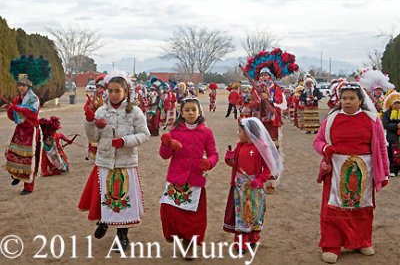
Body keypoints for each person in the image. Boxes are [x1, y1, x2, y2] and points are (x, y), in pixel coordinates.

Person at [313, 82, 389, 264]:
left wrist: (384, 172)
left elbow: (381, 149)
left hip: (364, 172)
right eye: (344, 98)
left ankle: (361, 241)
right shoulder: (331, 119)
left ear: (360, 99)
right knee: (333, 209)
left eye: (352, 98)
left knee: (362, 208)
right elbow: (318, 141)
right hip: (336, 172)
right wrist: (325, 148)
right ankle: (331, 245)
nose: (347, 102)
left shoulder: (371, 120)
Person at [78, 71, 150, 251]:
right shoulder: (101, 111)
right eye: (110, 91)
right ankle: (103, 221)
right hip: (104, 162)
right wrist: (89, 122)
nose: (113, 94)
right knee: (105, 197)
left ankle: (122, 235)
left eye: (117, 91)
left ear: (126, 91)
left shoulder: (135, 112)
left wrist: (125, 142)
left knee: (123, 199)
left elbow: (144, 135)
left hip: (126, 163)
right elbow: (94, 137)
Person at [159, 97, 218, 257]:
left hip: (195, 179)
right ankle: (176, 236)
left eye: (194, 109)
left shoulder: (206, 132)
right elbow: (165, 156)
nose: (191, 112)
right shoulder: (175, 131)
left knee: (193, 217)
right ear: (182, 113)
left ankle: (189, 244)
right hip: (176, 177)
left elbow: (214, 154)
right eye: (187, 110)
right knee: (170, 210)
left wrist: (209, 163)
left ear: (199, 112)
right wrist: (166, 144)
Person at [223, 117, 283, 253]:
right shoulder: (240, 146)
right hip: (239, 188)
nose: (238, 134)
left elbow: (268, 168)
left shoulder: (262, 147)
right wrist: (229, 159)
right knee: (241, 215)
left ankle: (253, 238)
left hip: (254, 188)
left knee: (254, 213)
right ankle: (241, 243)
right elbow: (235, 164)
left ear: (249, 132)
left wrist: (260, 179)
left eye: (240, 131)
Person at [4, 73, 41, 195]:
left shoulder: (34, 99)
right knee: (12, 154)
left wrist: (17, 108)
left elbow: (31, 113)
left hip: (31, 130)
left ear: (28, 86)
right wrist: (10, 110)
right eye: (19, 85)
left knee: (28, 159)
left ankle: (28, 187)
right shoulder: (16, 99)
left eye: (23, 85)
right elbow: (13, 117)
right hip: (20, 130)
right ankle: (16, 176)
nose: (21, 87)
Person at [83, 74, 107, 160]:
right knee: (93, 138)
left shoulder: (108, 97)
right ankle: (92, 153)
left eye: (101, 87)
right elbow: (85, 107)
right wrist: (89, 110)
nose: (99, 89)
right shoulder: (92, 97)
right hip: (94, 121)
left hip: (105, 121)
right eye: (98, 87)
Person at [381, 91, 400, 177]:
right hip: (392, 137)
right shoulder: (386, 113)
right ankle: (392, 170)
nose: (397, 105)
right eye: (395, 103)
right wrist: (396, 126)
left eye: (398, 103)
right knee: (392, 154)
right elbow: (385, 124)